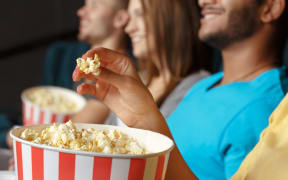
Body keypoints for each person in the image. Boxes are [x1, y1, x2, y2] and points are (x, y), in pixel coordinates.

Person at [73, 0, 287, 179]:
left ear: (270, 7)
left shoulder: (263, 107)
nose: (203, 1)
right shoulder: (206, 85)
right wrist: (145, 119)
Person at [75, 0, 212, 126]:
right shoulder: (139, 79)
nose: (129, 28)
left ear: (170, 18)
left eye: (139, 15)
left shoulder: (198, 86)